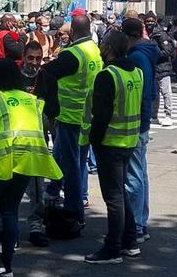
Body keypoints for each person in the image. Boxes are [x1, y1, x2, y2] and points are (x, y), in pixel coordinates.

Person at [0, 58, 61, 277]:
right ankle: (7, 263)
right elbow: (46, 124)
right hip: (25, 163)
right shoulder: (30, 99)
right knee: (10, 211)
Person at [80, 31, 143, 263]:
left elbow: (101, 116)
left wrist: (94, 141)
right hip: (129, 140)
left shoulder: (108, 75)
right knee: (120, 193)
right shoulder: (136, 71)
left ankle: (113, 248)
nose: (100, 47)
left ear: (109, 48)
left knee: (113, 197)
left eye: (103, 44)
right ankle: (130, 241)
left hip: (110, 143)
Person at [39, 15, 103, 224]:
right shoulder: (94, 49)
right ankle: (53, 189)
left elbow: (46, 72)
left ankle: (74, 210)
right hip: (86, 115)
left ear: (73, 32)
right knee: (63, 156)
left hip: (70, 115)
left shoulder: (73, 54)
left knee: (72, 166)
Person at [121, 18, 160, 243]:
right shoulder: (146, 51)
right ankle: (140, 222)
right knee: (140, 173)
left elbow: (144, 92)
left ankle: (136, 224)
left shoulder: (137, 56)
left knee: (134, 176)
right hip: (142, 121)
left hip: (137, 122)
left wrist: (140, 120)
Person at [21, 40, 51, 247]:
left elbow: (54, 108)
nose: (34, 63)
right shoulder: (13, 77)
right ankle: (4, 224)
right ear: (24, 57)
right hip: (14, 140)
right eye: (30, 58)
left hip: (38, 139)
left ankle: (36, 226)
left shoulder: (47, 79)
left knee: (37, 189)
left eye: (38, 59)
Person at [145, 13, 175, 127]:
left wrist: (155, 55)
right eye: (147, 21)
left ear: (155, 21)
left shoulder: (160, 34)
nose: (149, 23)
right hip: (153, 68)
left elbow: (168, 50)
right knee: (155, 93)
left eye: (151, 21)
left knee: (166, 92)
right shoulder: (148, 34)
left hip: (163, 67)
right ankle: (154, 115)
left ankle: (168, 115)